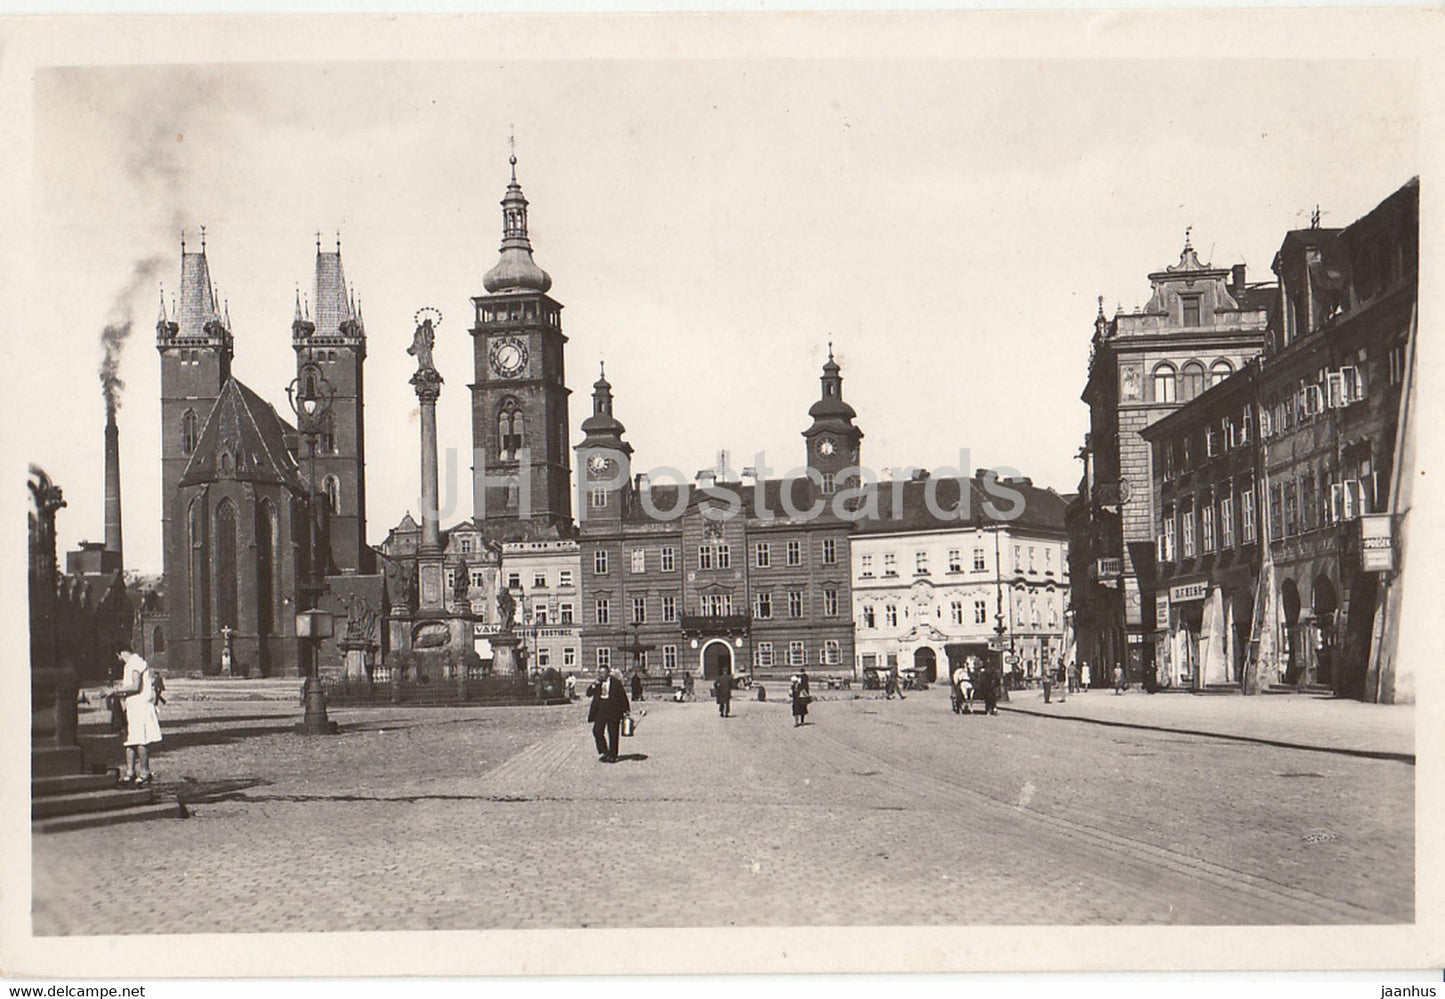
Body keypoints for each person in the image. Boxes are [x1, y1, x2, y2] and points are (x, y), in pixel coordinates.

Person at [99, 642, 162, 785]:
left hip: (141, 707)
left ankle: (145, 772)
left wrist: (114, 691)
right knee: (129, 740)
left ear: (119, 654)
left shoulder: (136, 663)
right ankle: (130, 772)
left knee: (140, 740)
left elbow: (135, 686)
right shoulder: (130, 665)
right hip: (132, 707)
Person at [586, 663, 631, 763]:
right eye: (599, 673)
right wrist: (594, 685)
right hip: (600, 711)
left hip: (613, 711)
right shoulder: (597, 683)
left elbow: (623, 697)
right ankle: (604, 751)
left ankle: (613, 755)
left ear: (608, 673)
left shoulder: (616, 683)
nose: (600, 675)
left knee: (613, 734)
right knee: (597, 731)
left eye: (602, 673)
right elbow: (588, 694)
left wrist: (626, 710)